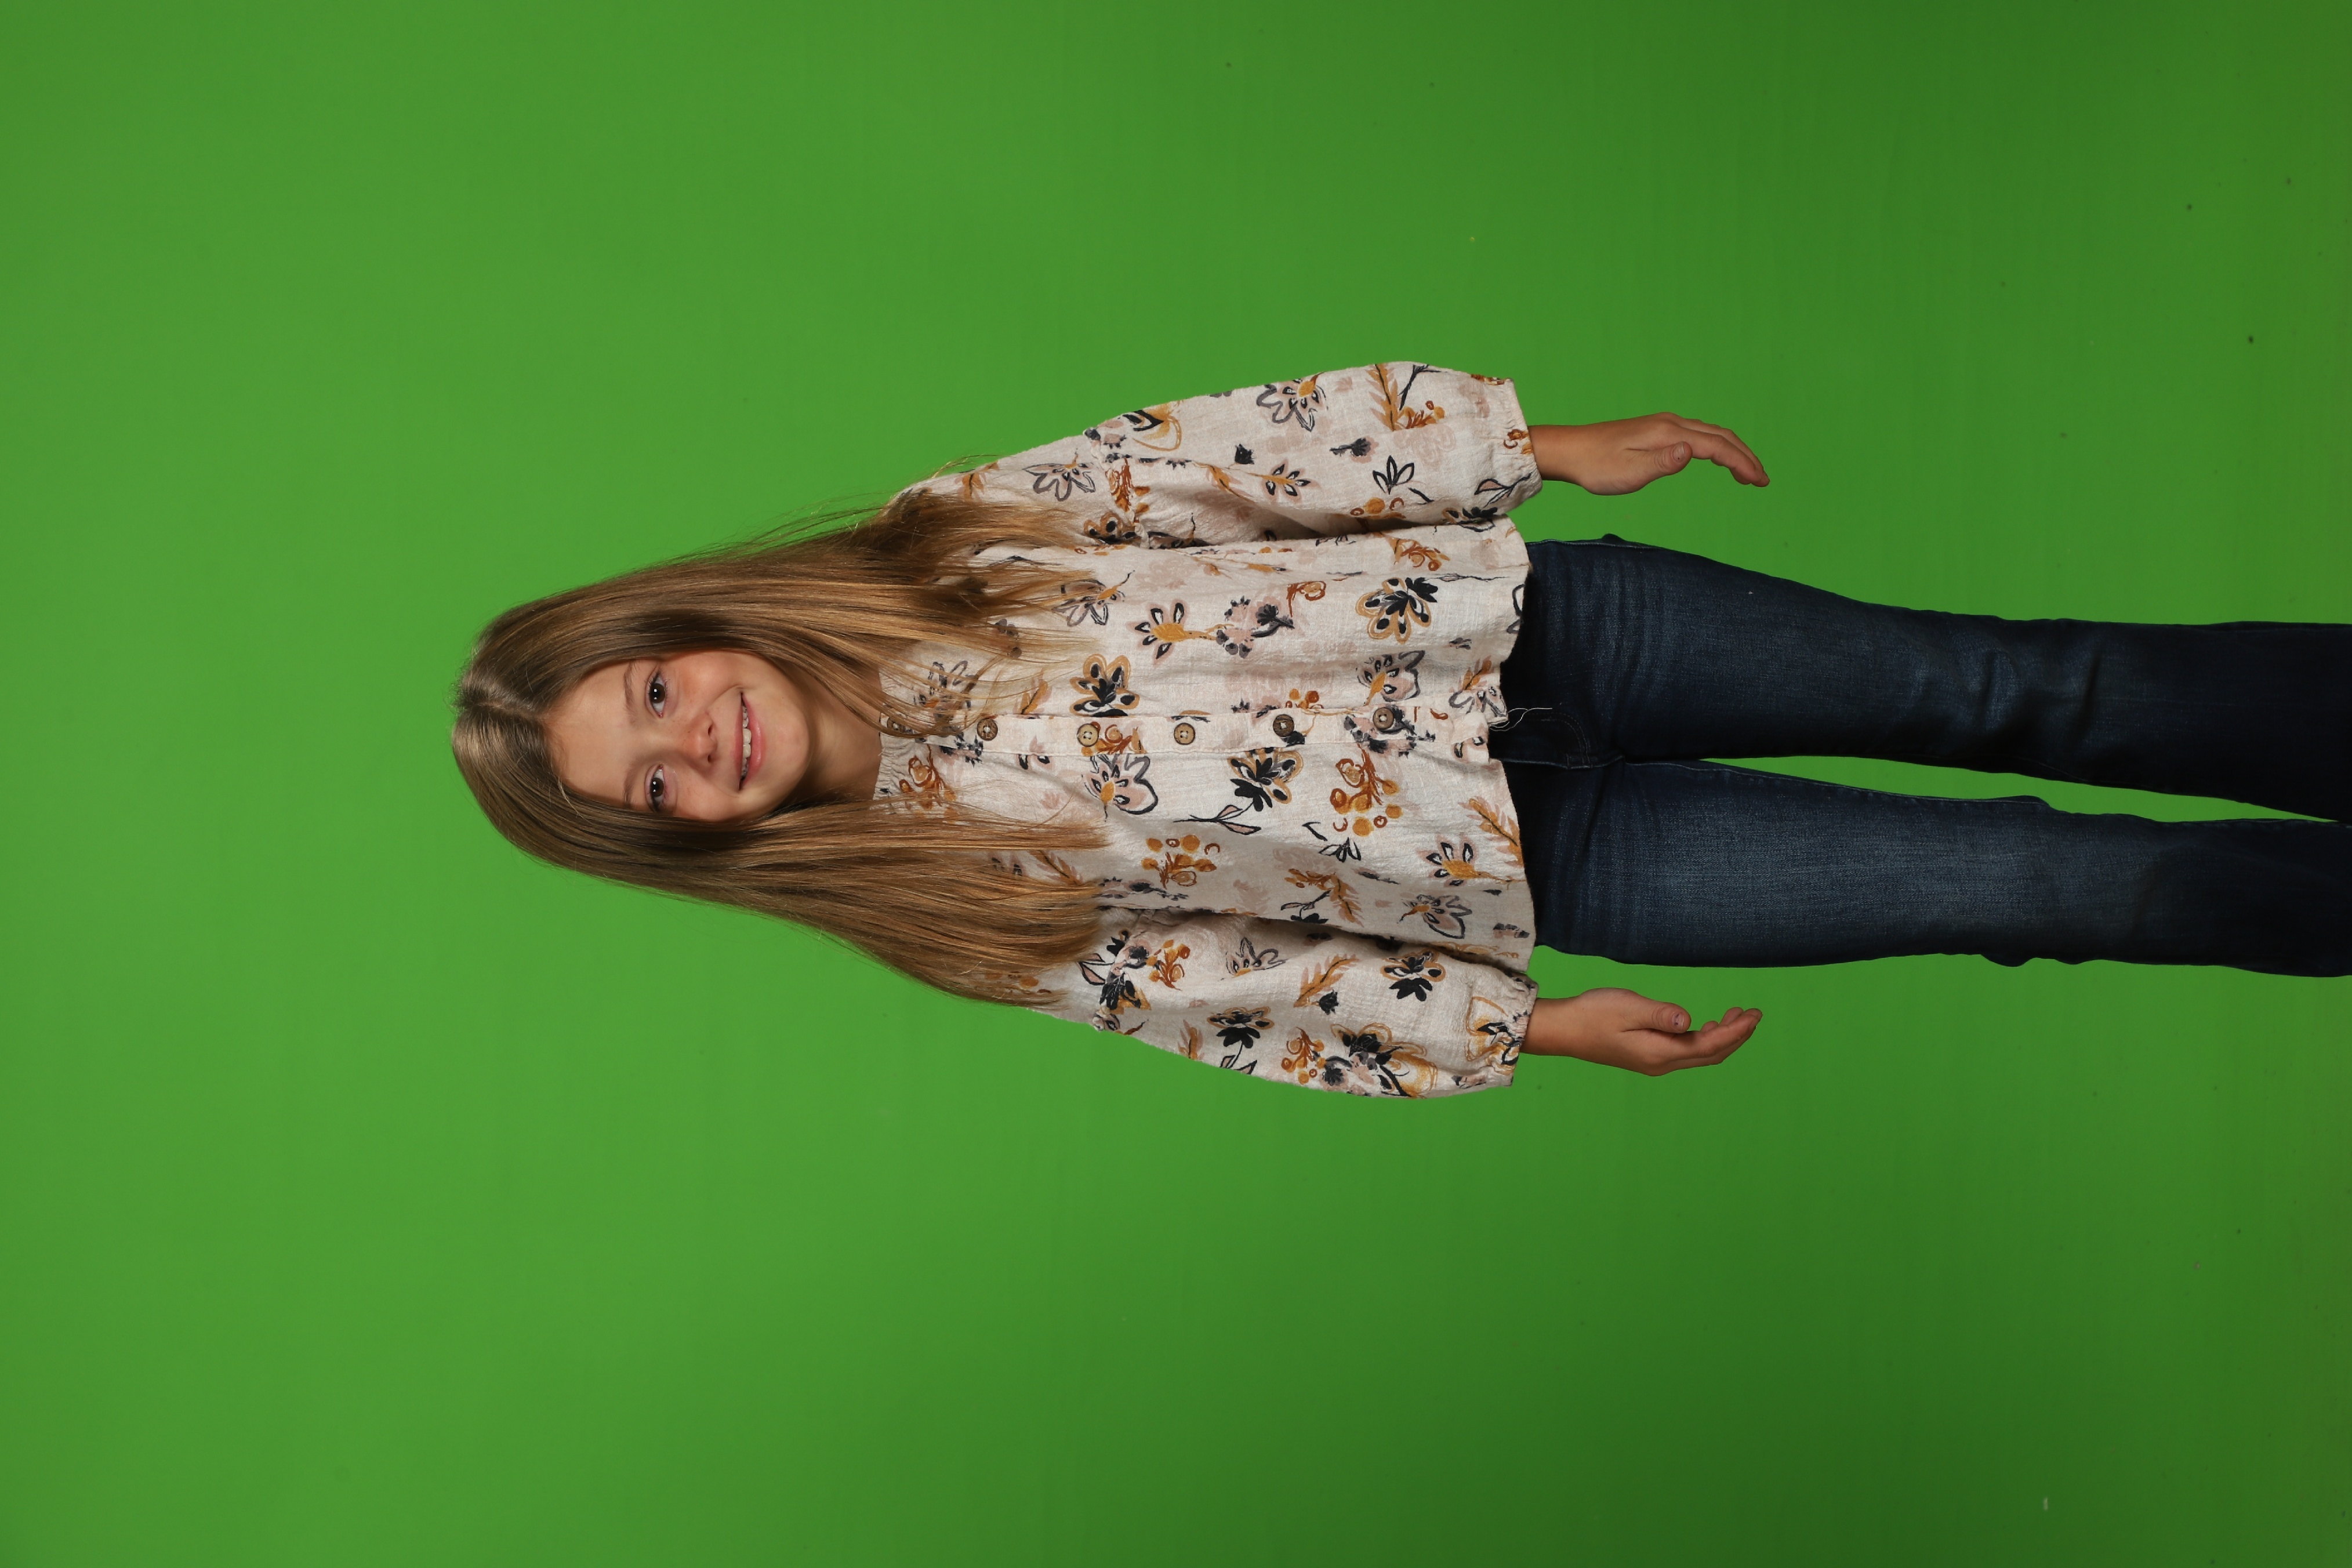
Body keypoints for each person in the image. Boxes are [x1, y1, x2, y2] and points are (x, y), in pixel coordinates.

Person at [452, 364, 2351, 1097]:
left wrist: (1525, 447)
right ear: (684, 840)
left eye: (654, 696)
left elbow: (1228, 461)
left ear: (681, 623)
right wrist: (1521, 1025)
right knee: (2030, 882)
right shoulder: (940, 908)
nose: (697, 746)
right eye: (656, 791)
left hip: (1565, 635)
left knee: (2018, 686)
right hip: (1563, 869)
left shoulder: (947, 540)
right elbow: (1240, 993)